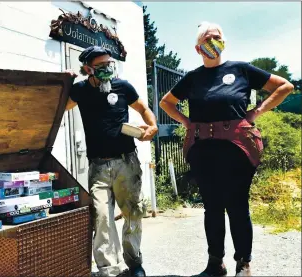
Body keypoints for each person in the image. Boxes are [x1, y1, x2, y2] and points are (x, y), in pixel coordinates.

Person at [159, 22, 294, 277]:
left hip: (237, 147)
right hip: (203, 149)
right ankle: (215, 264)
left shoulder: (241, 70)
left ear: (224, 42)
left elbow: (284, 86)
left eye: (217, 37)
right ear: (198, 48)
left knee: (237, 205)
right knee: (211, 206)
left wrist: (257, 111)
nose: (213, 41)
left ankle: (243, 264)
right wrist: (187, 122)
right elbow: (166, 102)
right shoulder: (193, 77)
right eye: (207, 39)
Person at [65, 46, 158, 277]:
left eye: (110, 63)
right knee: (102, 218)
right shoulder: (80, 91)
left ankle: (135, 264)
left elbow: (143, 108)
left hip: (127, 162)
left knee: (133, 212)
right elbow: (58, 107)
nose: (108, 68)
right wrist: (63, 83)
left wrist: (153, 126)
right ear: (88, 69)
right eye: (101, 65)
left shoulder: (123, 86)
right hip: (98, 166)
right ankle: (108, 270)